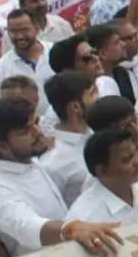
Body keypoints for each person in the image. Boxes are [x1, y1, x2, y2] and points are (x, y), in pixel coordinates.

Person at [0, 98, 122, 257]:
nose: (38, 132)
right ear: (2, 146)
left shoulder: (25, 158)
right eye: (26, 131)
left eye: (35, 123)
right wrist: (69, 229)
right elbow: (25, 225)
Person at [65, 127, 138, 225]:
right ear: (102, 170)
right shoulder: (85, 218)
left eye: (136, 154)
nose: (137, 161)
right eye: (126, 159)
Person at [40, 72, 99, 206]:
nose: (99, 98)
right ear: (75, 107)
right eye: (92, 93)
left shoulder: (99, 134)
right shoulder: (52, 164)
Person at [0, 9, 54, 115]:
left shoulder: (55, 53)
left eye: (25, 30)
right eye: (13, 31)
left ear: (37, 28)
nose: (20, 36)